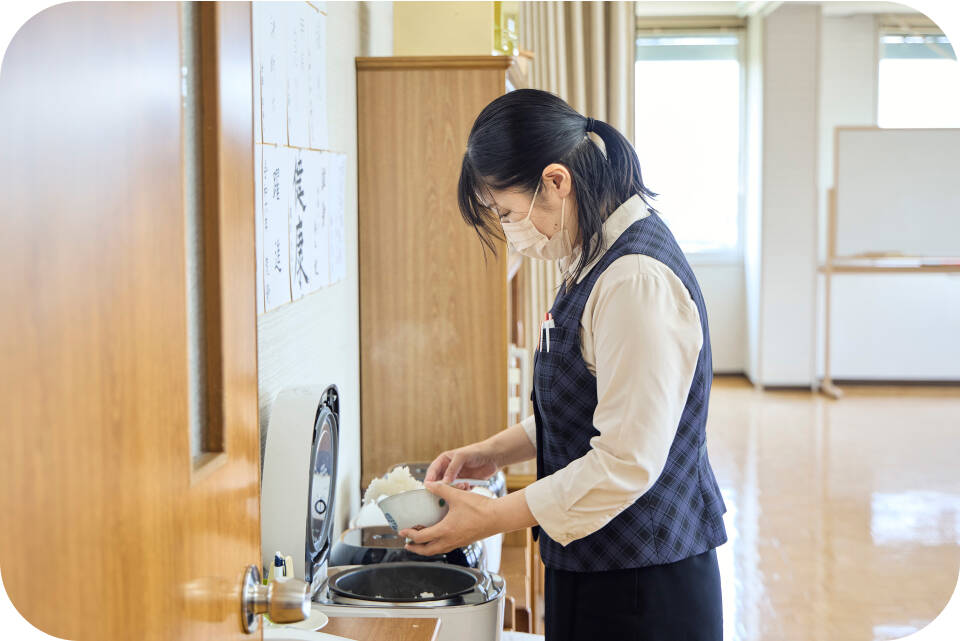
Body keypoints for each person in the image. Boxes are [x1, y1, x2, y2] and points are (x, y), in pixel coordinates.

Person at [398, 88, 727, 641]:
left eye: (507, 211)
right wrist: (490, 453)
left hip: (645, 581)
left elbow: (626, 459)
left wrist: (493, 518)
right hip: (600, 563)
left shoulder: (635, 280)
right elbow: (590, 407)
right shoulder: (594, 254)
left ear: (555, 181)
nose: (510, 230)